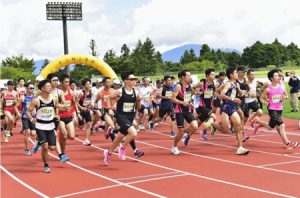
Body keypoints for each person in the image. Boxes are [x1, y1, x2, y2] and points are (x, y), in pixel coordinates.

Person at [103, 72, 143, 165]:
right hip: (121, 116)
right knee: (133, 132)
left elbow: (139, 106)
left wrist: (139, 101)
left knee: (118, 138)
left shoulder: (136, 92)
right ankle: (122, 149)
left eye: (135, 79)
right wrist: (109, 109)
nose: (134, 81)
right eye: (132, 79)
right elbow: (108, 98)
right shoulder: (120, 91)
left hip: (130, 116)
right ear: (125, 81)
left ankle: (108, 154)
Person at [213, 68, 249, 155]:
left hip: (233, 108)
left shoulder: (236, 84)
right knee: (226, 130)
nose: (237, 74)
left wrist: (240, 92)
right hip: (226, 108)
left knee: (239, 127)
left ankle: (240, 148)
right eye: (236, 73)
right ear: (231, 75)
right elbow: (221, 94)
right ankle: (211, 123)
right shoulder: (228, 84)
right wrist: (232, 99)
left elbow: (217, 90)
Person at [26, 80, 58, 173]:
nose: (50, 87)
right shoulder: (37, 100)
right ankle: (46, 165)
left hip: (50, 126)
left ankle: (38, 141)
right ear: (42, 88)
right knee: (45, 147)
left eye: (50, 86)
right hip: (40, 126)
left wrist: (56, 114)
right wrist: (32, 119)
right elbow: (27, 111)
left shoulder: (53, 98)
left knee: (52, 148)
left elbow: (55, 107)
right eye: (48, 86)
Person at [171, 70, 198, 155]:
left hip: (187, 110)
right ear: (183, 77)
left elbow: (190, 94)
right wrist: (183, 102)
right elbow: (172, 99)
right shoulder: (178, 86)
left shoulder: (189, 86)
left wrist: (190, 103)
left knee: (195, 126)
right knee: (180, 131)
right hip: (179, 111)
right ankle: (174, 146)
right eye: (188, 75)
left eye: (190, 75)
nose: (190, 77)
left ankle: (184, 133)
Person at [58, 74, 78, 156]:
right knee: (65, 135)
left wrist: (77, 113)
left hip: (69, 117)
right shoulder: (58, 93)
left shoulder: (71, 92)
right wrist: (62, 108)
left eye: (68, 82)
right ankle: (62, 153)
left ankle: (60, 138)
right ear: (61, 83)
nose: (67, 84)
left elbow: (74, 104)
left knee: (72, 137)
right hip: (60, 118)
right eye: (65, 82)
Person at [19, 82, 37, 156]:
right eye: (30, 88)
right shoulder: (23, 97)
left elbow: (37, 106)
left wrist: (35, 110)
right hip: (25, 117)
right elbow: (16, 106)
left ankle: (37, 143)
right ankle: (27, 149)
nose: (32, 89)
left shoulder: (35, 97)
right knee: (28, 132)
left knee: (33, 133)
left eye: (33, 88)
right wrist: (18, 113)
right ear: (26, 88)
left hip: (32, 117)